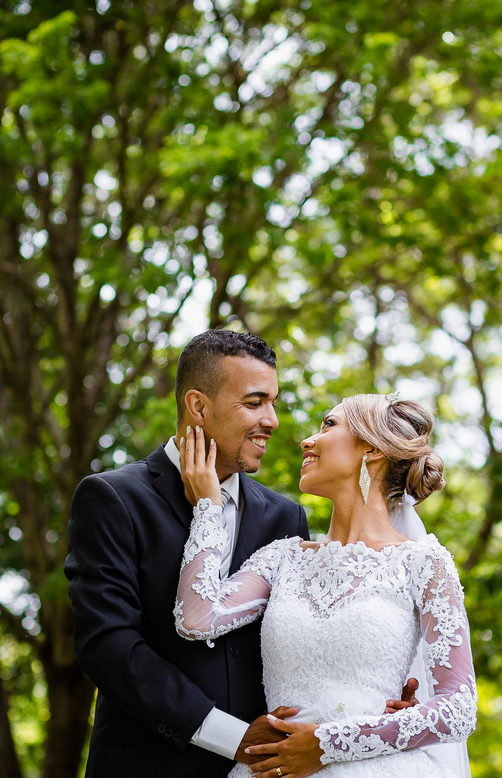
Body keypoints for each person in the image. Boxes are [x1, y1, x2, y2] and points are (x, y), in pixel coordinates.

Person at [65, 330, 417, 777]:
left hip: (273, 769)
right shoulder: (113, 497)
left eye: (273, 402)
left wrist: (381, 703)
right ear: (198, 406)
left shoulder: (284, 516)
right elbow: (107, 645)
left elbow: (312, 640)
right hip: (148, 765)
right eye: (254, 403)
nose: (272, 420)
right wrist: (232, 737)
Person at [173, 393, 477, 778]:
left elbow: (458, 709)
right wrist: (208, 507)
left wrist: (327, 744)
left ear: (372, 448)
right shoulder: (282, 557)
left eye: (329, 425)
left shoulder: (424, 563)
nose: (307, 440)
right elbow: (197, 619)